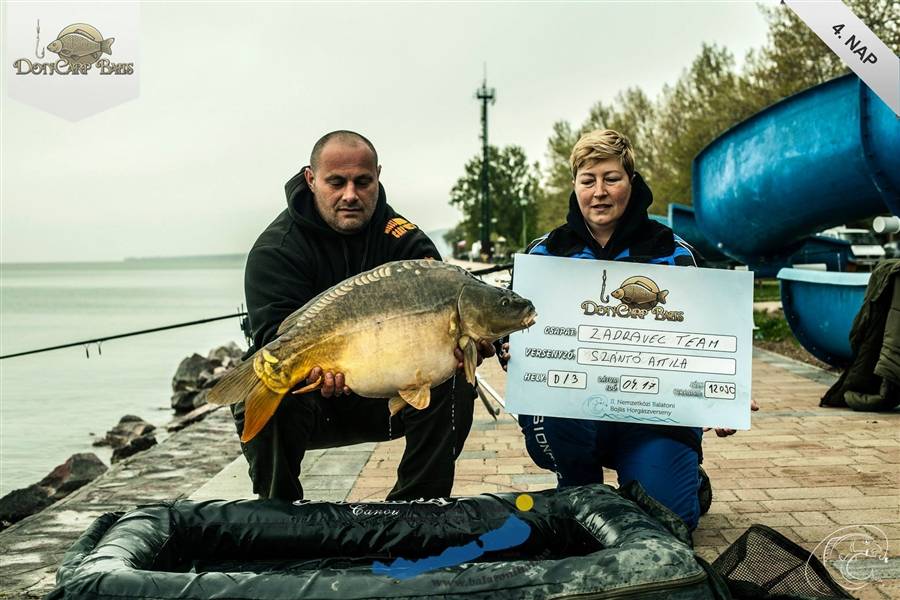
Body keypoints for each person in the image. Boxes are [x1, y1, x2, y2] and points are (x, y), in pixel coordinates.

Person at [499, 129, 757, 530]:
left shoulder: (673, 252)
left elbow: (712, 337)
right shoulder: (544, 254)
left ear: (631, 183)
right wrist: (509, 350)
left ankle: (679, 479)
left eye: (611, 178)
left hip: (652, 416)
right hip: (572, 414)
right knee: (560, 453)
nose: (599, 191)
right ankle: (578, 487)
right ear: (575, 186)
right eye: (588, 181)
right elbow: (507, 330)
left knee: (668, 523)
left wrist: (724, 394)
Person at [233, 130, 491, 502]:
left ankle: (416, 509)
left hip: (385, 396)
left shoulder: (405, 242)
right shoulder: (276, 250)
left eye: (363, 182)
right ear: (311, 179)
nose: (350, 195)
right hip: (316, 402)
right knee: (265, 383)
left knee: (456, 382)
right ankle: (279, 511)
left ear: (378, 177)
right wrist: (312, 371)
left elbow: (450, 316)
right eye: (336, 182)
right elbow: (273, 338)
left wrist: (463, 349)